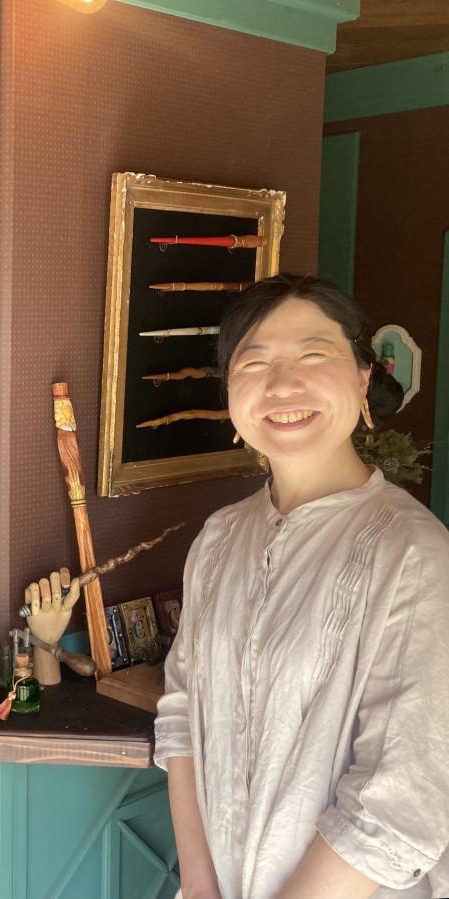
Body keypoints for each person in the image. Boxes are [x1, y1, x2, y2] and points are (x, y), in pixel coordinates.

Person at [155, 274, 449, 899]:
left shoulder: (413, 552)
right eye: (253, 362)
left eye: (314, 355)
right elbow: (182, 709)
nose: (283, 384)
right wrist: (200, 884)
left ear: (363, 380)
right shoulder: (219, 538)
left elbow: (401, 801)